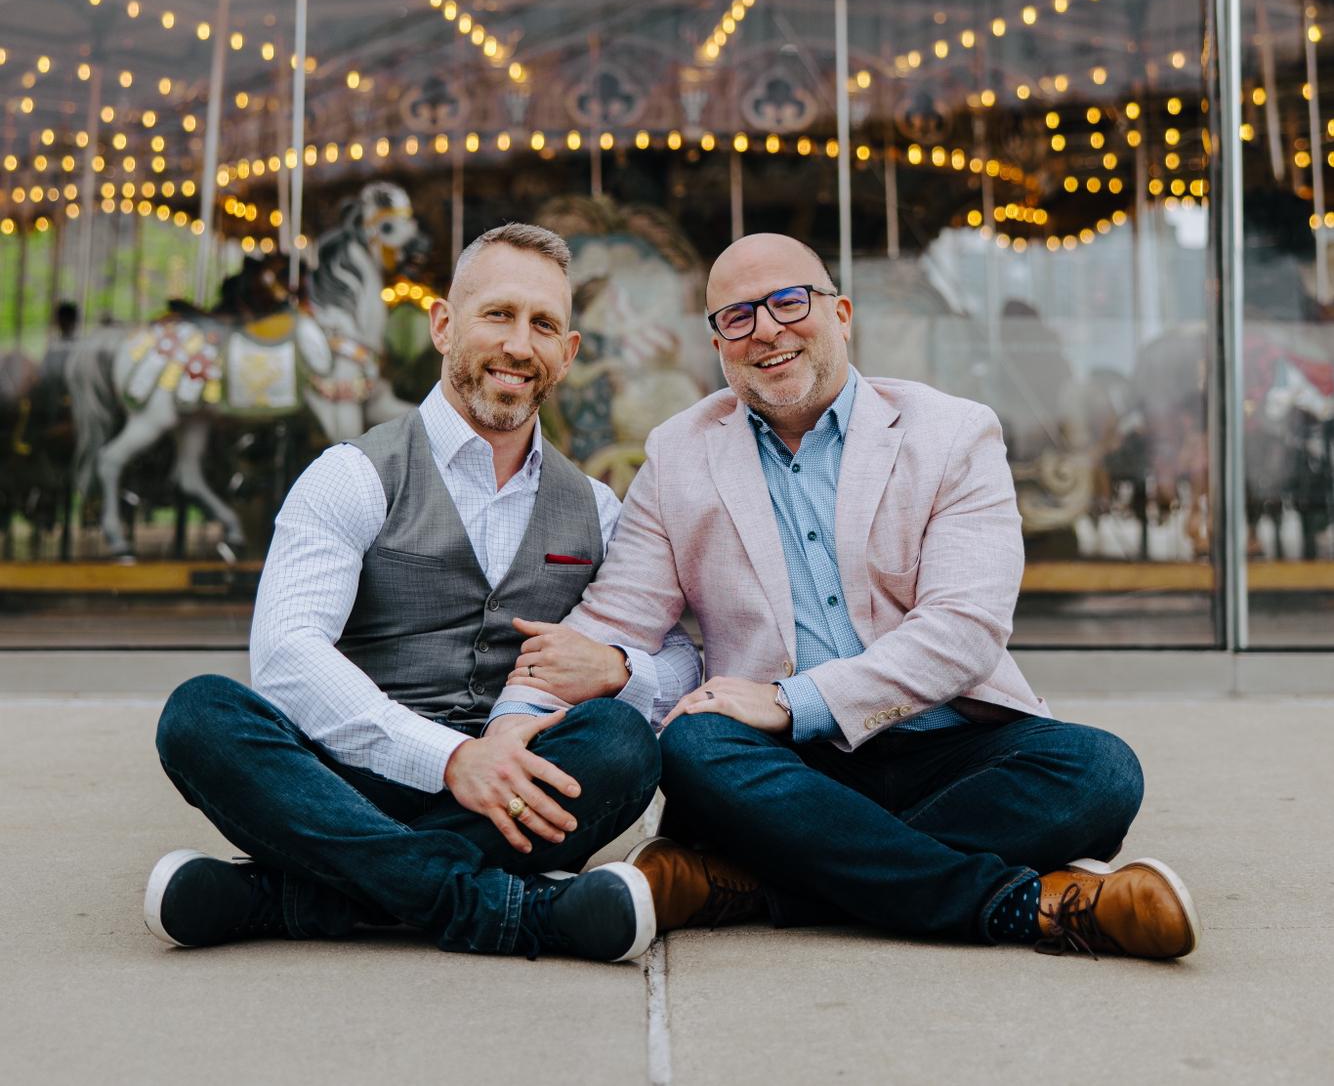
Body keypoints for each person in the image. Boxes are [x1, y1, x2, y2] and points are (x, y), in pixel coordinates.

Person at [504, 232, 1199, 961]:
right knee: (692, 744)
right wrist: (514, 725)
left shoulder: (954, 433)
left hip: (947, 740)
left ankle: (752, 881)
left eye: (788, 302)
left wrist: (788, 699)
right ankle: (1031, 903)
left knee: (1100, 770)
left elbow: (964, 632)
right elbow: (615, 622)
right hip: (787, 763)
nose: (766, 329)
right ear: (717, 343)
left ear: (841, 313)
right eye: (737, 317)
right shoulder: (680, 453)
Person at [146, 223, 702, 962]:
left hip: (508, 789)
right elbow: (286, 655)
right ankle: (511, 911)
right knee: (201, 715)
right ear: (445, 326)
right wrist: (448, 760)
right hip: (341, 784)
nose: (517, 344)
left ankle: (291, 896)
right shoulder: (353, 473)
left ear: (566, 354)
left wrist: (621, 671)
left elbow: (682, 661)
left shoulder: (596, 509)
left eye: (542, 325)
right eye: (497, 315)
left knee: (622, 744)